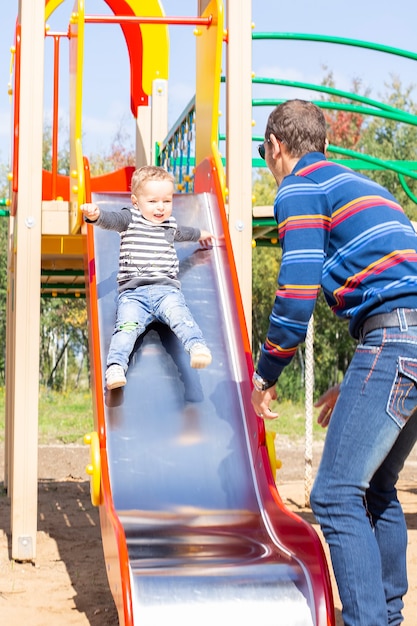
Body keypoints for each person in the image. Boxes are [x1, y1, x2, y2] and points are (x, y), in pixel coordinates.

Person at [251, 99, 417, 626]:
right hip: (402, 341)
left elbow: (296, 291)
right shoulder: (367, 187)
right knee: (376, 487)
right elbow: (395, 290)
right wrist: (353, 380)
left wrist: (265, 374)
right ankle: (385, 616)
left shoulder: (299, 186)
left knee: (335, 494)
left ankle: (370, 621)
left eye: (264, 153)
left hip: (394, 342)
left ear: (277, 147)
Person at [81, 165, 213, 390]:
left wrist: (202, 234)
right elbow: (110, 220)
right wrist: (96, 216)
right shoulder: (129, 219)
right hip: (134, 296)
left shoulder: (170, 225)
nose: (160, 207)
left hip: (166, 292)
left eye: (166, 201)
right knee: (125, 328)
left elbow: (185, 233)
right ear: (136, 202)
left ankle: (197, 346)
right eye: (152, 202)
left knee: (181, 316)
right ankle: (115, 366)